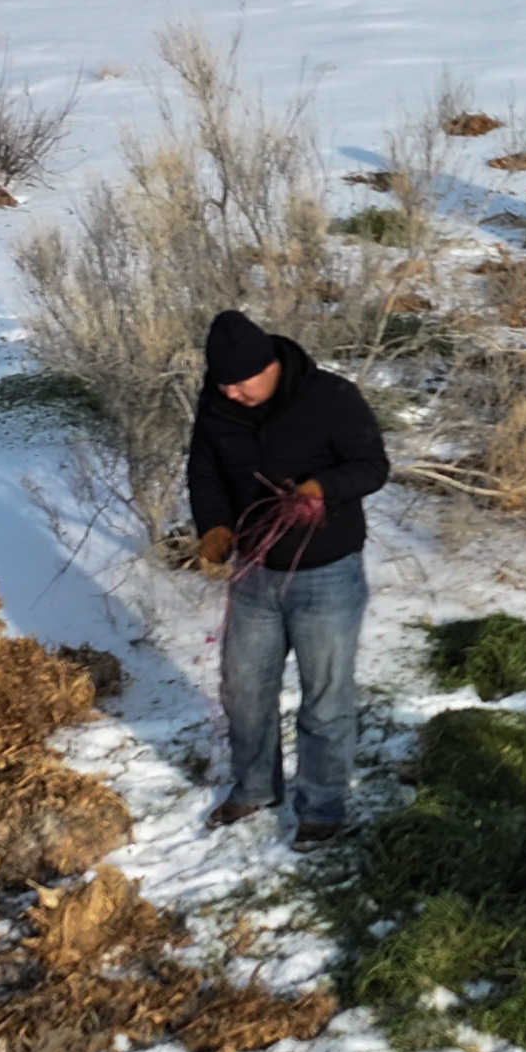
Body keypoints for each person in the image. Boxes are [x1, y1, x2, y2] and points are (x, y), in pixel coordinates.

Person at [183, 308, 390, 839]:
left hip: (327, 574)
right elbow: (204, 471)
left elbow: (372, 466)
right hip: (254, 572)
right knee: (244, 689)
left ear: (269, 365)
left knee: (324, 698)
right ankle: (255, 787)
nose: (230, 393)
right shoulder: (217, 406)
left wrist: (322, 488)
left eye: (239, 382)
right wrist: (214, 526)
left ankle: (322, 809)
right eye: (221, 383)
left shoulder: (330, 398)